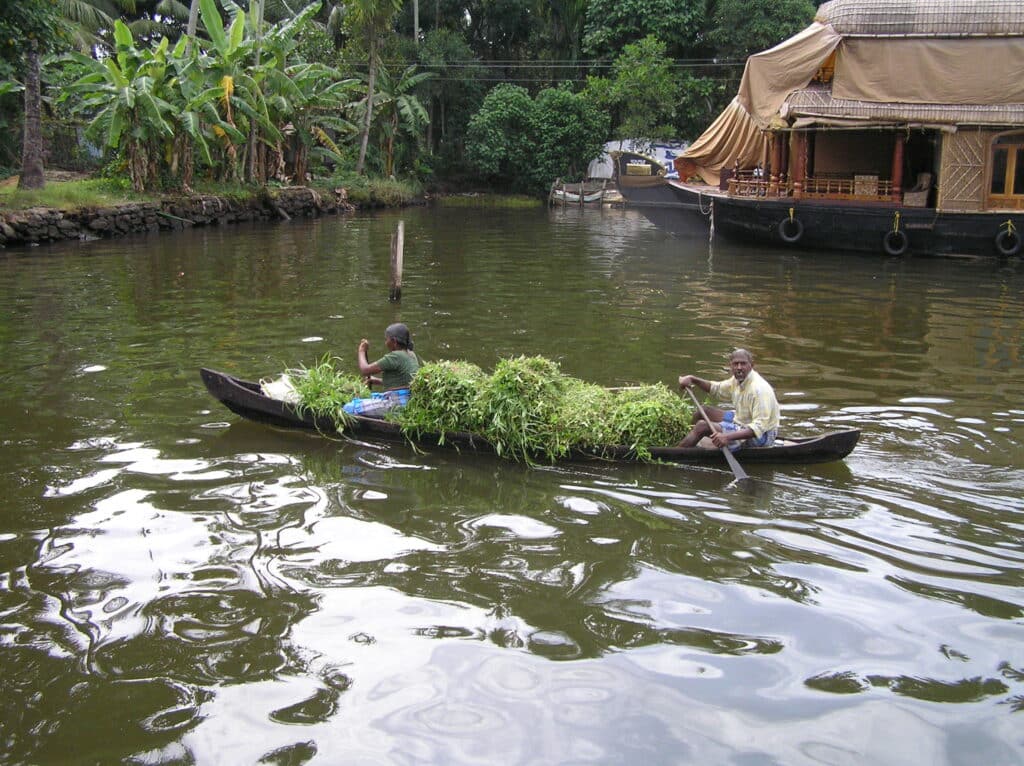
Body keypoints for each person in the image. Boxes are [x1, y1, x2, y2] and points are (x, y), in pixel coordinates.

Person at [677, 348, 779, 450]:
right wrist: (692, 379)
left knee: (702, 426)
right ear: (731, 366)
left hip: (762, 436)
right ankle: (687, 441)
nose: (739, 367)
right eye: (736, 364)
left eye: (743, 364)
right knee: (703, 411)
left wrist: (727, 437)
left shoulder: (759, 390)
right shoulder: (737, 380)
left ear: (751, 365)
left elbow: (758, 428)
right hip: (741, 421)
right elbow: (716, 388)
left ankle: (676, 453)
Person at [343, 323, 421, 417]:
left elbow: (365, 370)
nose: (385, 343)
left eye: (386, 339)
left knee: (349, 408)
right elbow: (403, 382)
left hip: (396, 404)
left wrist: (361, 350)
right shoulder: (411, 354)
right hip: (407, 400)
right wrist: (377, 381)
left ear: (394, 341)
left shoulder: (395, 356)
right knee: (364, 397)